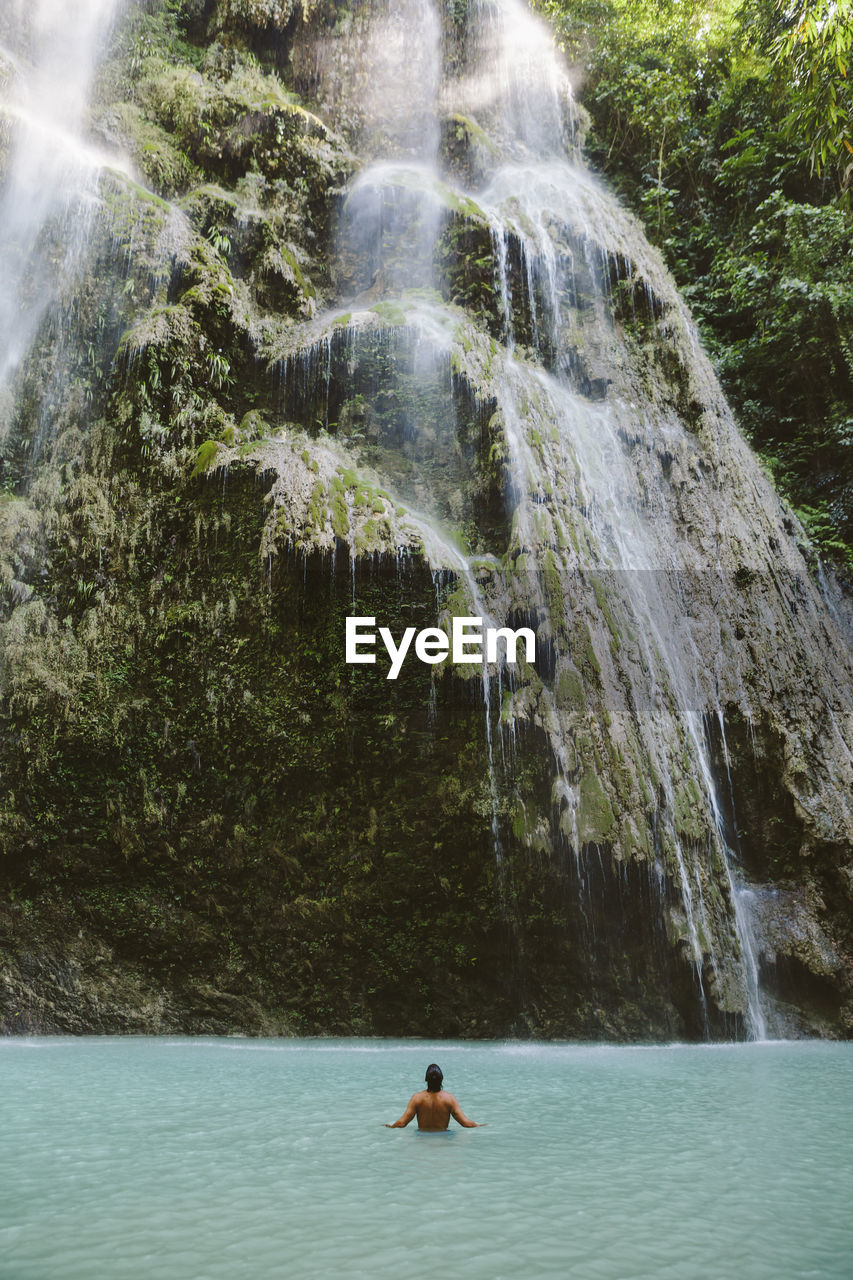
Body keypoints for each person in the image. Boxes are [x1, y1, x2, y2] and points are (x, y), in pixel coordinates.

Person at [384, 1063, 486, 1130]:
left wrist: (391, 1126)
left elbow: (402, 1123)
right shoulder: (450, 1099)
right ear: (442, 1079)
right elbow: (465, 1123)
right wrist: (480, 1125)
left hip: (422, 1140)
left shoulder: (417, 1098)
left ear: (425, 1079)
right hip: (444, 1140)